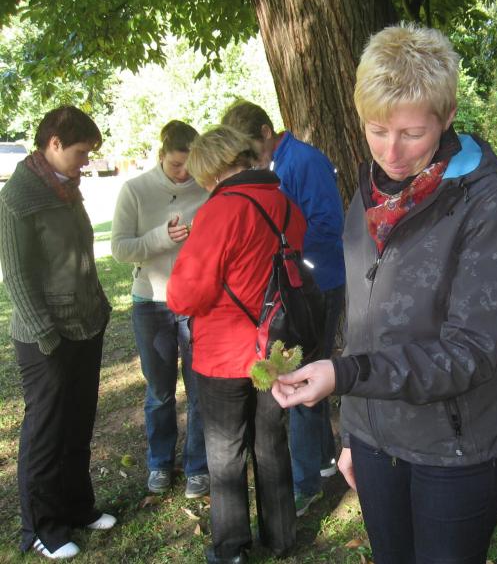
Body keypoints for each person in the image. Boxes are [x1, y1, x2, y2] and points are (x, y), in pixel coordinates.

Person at [272, 23, 497, 564]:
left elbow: (471, 352)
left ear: (447, 115)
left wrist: (344, 376)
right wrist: (353, 431)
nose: (392, 152)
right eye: (377, 130)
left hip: (454, 448)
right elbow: (361, 322)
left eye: (412, 133)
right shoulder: (369, 188)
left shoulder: (484, 201)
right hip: (375, 439)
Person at [167, 125, 305, 563]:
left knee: (225, 451)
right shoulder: (284, 203)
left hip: (224, 353)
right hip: (276, 347)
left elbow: (185, 296)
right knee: (271, 441)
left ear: (209, 170)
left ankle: (230, 549)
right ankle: (281, 537)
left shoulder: (218, 211)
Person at [0, 106, 116, 560]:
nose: (86, 162)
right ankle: (42, 529)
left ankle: (78, 507)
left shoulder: (66, 188)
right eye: (81, 152)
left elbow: (80, 255)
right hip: (44, 338)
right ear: (53, 144)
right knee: (46, 432)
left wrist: (99, 306)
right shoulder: (18, 197)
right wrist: (45, 335)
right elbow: (17, 275)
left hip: (85, 325)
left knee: (78, 423)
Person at [222, 100, 345, 516]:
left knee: (300, 377)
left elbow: (327, 225)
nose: (248, 157)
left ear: (265, 131)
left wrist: (279, 248)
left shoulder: (302, 161)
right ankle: (322, 462)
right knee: (310, 369)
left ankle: (304, 483)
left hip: (315, 284)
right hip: (297, 285)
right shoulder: (281, 162)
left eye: (249, 147)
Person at [111, 120, 209, 498]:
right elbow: (120, 248)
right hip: (151, 301)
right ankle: (159, 462)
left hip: (195, 301)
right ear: (161, 156)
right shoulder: (136, 190)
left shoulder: (206, 187)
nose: (184, 174)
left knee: (198, 389)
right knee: (160, 390)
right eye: (176, 165)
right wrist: (160, 238)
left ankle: (197, 465)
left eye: (190, 165)